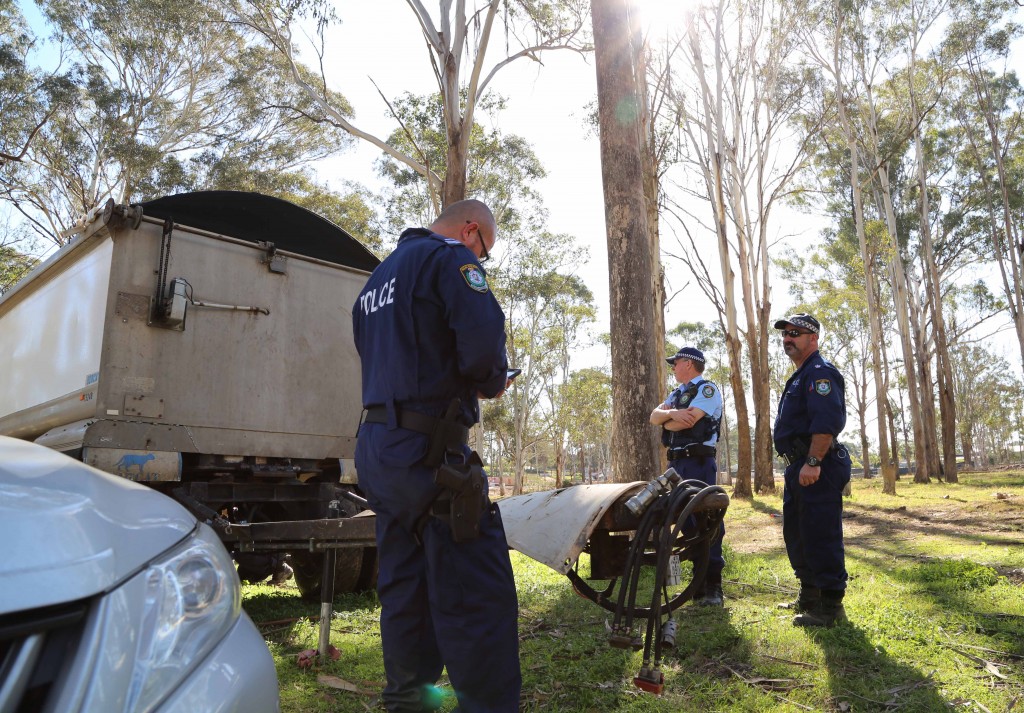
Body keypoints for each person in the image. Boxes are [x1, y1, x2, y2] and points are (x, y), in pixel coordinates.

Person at [352, 199, 521, 712]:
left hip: (379, 449)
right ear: (471, 231)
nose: (481, 261)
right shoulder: (450, 259)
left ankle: (407, 701)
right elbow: (483, 355)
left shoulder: (373, 283)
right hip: (432, 455)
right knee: (477, 594)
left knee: (405, 589)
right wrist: (495, 381)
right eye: (485, 251)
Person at [772, 313, 851, 628]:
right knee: (798, 534)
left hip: (817, 464)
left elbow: (826, 423)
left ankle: (831, 606)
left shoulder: (819, 372)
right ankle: (810, 597)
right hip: (798, 466)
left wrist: (814, 462)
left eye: (795, 333)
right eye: (785, 334)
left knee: (820, 534)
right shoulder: (801, 374)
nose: (788, 338)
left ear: (813, 338)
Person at [649, 346, 725, 606]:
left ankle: (713, 584)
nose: (673, 367)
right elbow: (654, 417)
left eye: (676, 362)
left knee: (708, 518)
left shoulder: (706, 390)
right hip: (677, 466)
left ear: (690, 364)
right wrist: (670, 414)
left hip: (699, 463)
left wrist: (669, 422)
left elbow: (689, 421)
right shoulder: (676, 394)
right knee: (685, 521)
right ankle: (698, 582)